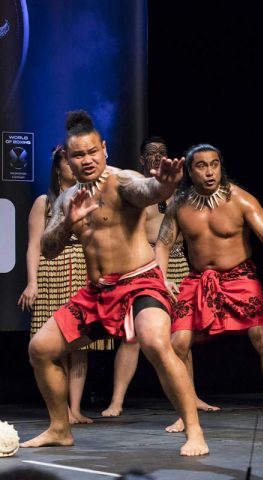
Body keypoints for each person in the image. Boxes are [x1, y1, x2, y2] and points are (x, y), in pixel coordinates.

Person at [19, 110, 207, 456]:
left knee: (153, 339)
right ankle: (60, 428)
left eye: (92, 152)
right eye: (78, 155)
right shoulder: (65, 200)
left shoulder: (121, 181)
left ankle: (194, 431)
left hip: (140, 284)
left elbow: (148, 189)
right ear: (68, 159)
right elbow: (47, 248)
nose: (87, 160)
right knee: (40, 349)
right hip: (98, 292)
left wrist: (166, 184)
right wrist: (67, 224)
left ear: (104, 149)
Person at [155, 144, 263, 433]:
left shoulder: (240, 199)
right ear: (189, 170)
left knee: (262, 337)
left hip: (239, 277)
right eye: (201, 166)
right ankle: (185, 413)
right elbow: (163, 243)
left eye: (214, 165)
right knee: (178, 343)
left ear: (221, 166)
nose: (209, 172)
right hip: (198, 279)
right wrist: (161, 277)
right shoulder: (180, 206)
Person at [101, 137, 216, 417]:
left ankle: (191, 395)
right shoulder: (137, 190)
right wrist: (156, 272)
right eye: (151, 155)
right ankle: (117, 400)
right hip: (147, 264)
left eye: (162, 153)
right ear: (141, 160)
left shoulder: (179, 194)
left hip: (179, 262)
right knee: (134, 337)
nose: (157, 158)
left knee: (182, 334)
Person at [18, 145, 113, 425]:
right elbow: (34, 246)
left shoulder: (93, 199)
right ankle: (59, 411)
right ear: (58, 166)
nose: (74, 166)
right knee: (54, 345)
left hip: (84, 268)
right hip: (52, 271)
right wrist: (32, 282)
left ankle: (75, 409)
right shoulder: (44, 203)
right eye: (68, 161)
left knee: (80, 343)